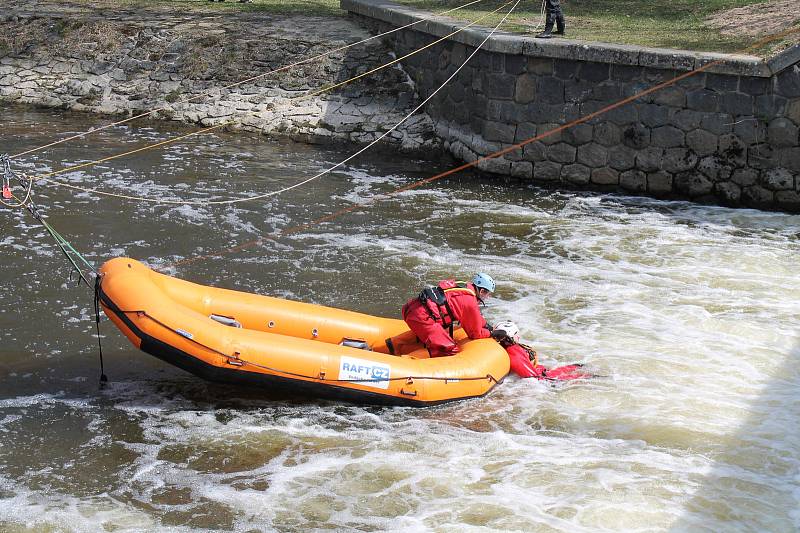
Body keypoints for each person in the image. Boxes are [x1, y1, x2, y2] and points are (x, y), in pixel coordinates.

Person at [401, 273, 495, 357]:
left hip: (411, 308)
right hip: (422, 317)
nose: (488, 297)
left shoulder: (462, 285)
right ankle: (407, 361)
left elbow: (474, 316)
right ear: (482, 291)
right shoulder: (469, 301)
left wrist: (486, 325)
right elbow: (475, 334)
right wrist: (491, 333)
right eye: (488, 294)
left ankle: (395, 348)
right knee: (450, 349)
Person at [491, 320, 590, 380]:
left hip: (540, 371)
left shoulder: (509, 349)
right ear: (512, 336)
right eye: (517, 335)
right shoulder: (514, 352)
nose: (519, 337)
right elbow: (532, 377)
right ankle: (584, 371)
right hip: (541, 375)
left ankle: (579, 367)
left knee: (575, 368)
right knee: (582, 376)